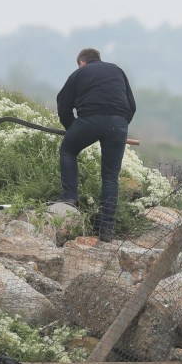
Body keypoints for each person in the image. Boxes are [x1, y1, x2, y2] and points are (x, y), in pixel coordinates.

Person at [56, 48, 136, 242]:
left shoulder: (79, 73)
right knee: (110, 176)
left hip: (90, 120)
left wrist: (72, 128)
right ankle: (106, 229)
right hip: (119, 123)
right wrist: (119, 126)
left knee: (67, 151)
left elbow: (63, 103)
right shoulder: (117, 71)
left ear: (82, 62)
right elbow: (131, 105)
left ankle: (69, 199)